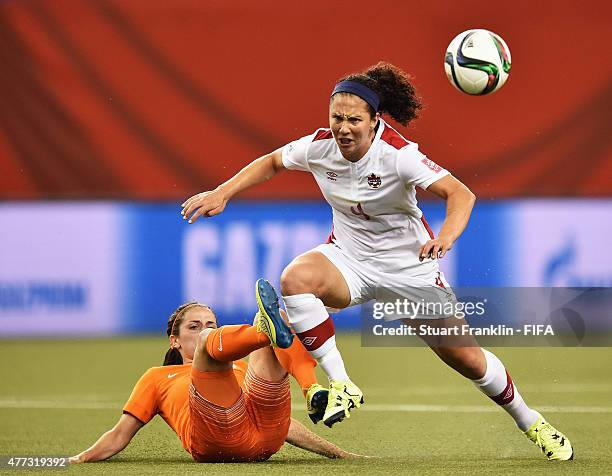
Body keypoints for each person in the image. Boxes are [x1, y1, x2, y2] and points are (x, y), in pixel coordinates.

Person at [180, 62, 573, 460]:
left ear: (374, 122)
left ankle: (531, 421)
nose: (343, 127)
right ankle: (341, 383)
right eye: (336, 117)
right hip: (348, 260)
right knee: (295, 280)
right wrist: (223, 191)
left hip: (408, 269)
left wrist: (445, 237)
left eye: (353, 119)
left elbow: (461, 195)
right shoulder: (319, 146)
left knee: (468, 359)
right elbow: (273, 161)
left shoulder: (399, 156)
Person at [69, 279, 356, 464]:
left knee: (277, 317)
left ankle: (310, 388)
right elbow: (120, 434)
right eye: (194, 327)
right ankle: (264, 332)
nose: (204, 329)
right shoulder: (157, 377)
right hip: (219, 442)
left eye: (210, 324)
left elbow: (286, 426)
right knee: (239, 336)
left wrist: (338, 453)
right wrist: (80, 458)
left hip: (267, 438)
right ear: (175, 340)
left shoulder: (241, 367)